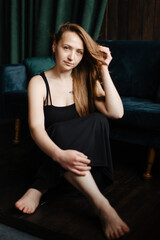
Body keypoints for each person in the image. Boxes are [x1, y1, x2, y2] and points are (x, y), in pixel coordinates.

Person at [15, 23, 130, 239]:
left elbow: (116, 113)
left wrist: (103, 68)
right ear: (54, 46)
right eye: (66, 48)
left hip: (79, 167)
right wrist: (60, 155)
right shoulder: (38, 83)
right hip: (48, 158)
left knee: (99, 120)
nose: (72, 57)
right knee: (56, 130)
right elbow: (35, 129)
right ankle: (101, 205)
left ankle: (40, 188)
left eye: (79, 52)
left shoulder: (86, 78)